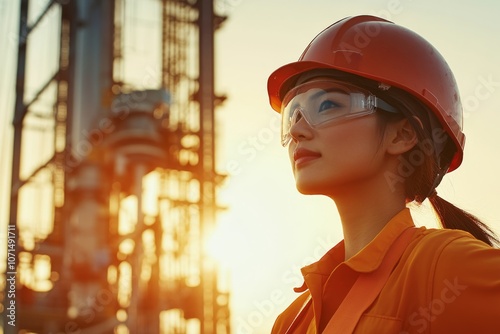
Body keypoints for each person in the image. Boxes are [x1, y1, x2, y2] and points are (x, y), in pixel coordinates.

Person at [266, 15, 500, 333]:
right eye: (293, 113)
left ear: (403, 135)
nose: (297, 130)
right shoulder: (293, 320)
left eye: (327, 105)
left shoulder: (440, 267)